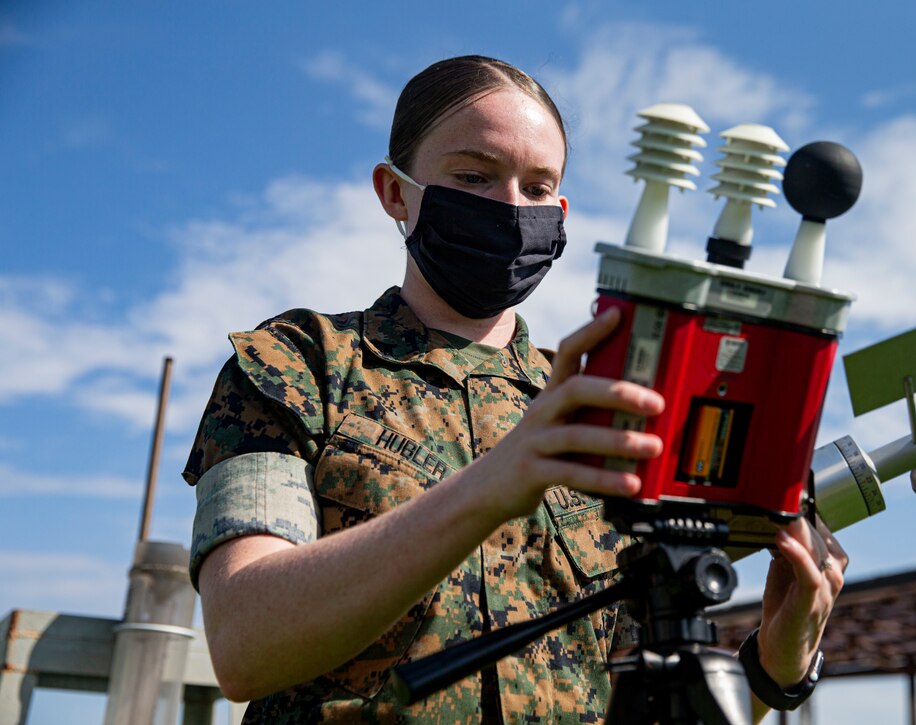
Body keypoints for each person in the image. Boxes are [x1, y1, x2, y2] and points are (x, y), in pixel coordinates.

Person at [184, 55, 848, 724]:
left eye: (537, 187)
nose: (508, 207)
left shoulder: (601, 407)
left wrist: (774, 665)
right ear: (395, 192)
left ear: (560, 212)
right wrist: (495, 480)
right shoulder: (297, 366)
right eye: (473, 176)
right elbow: (245, 644)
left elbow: (635, 703)